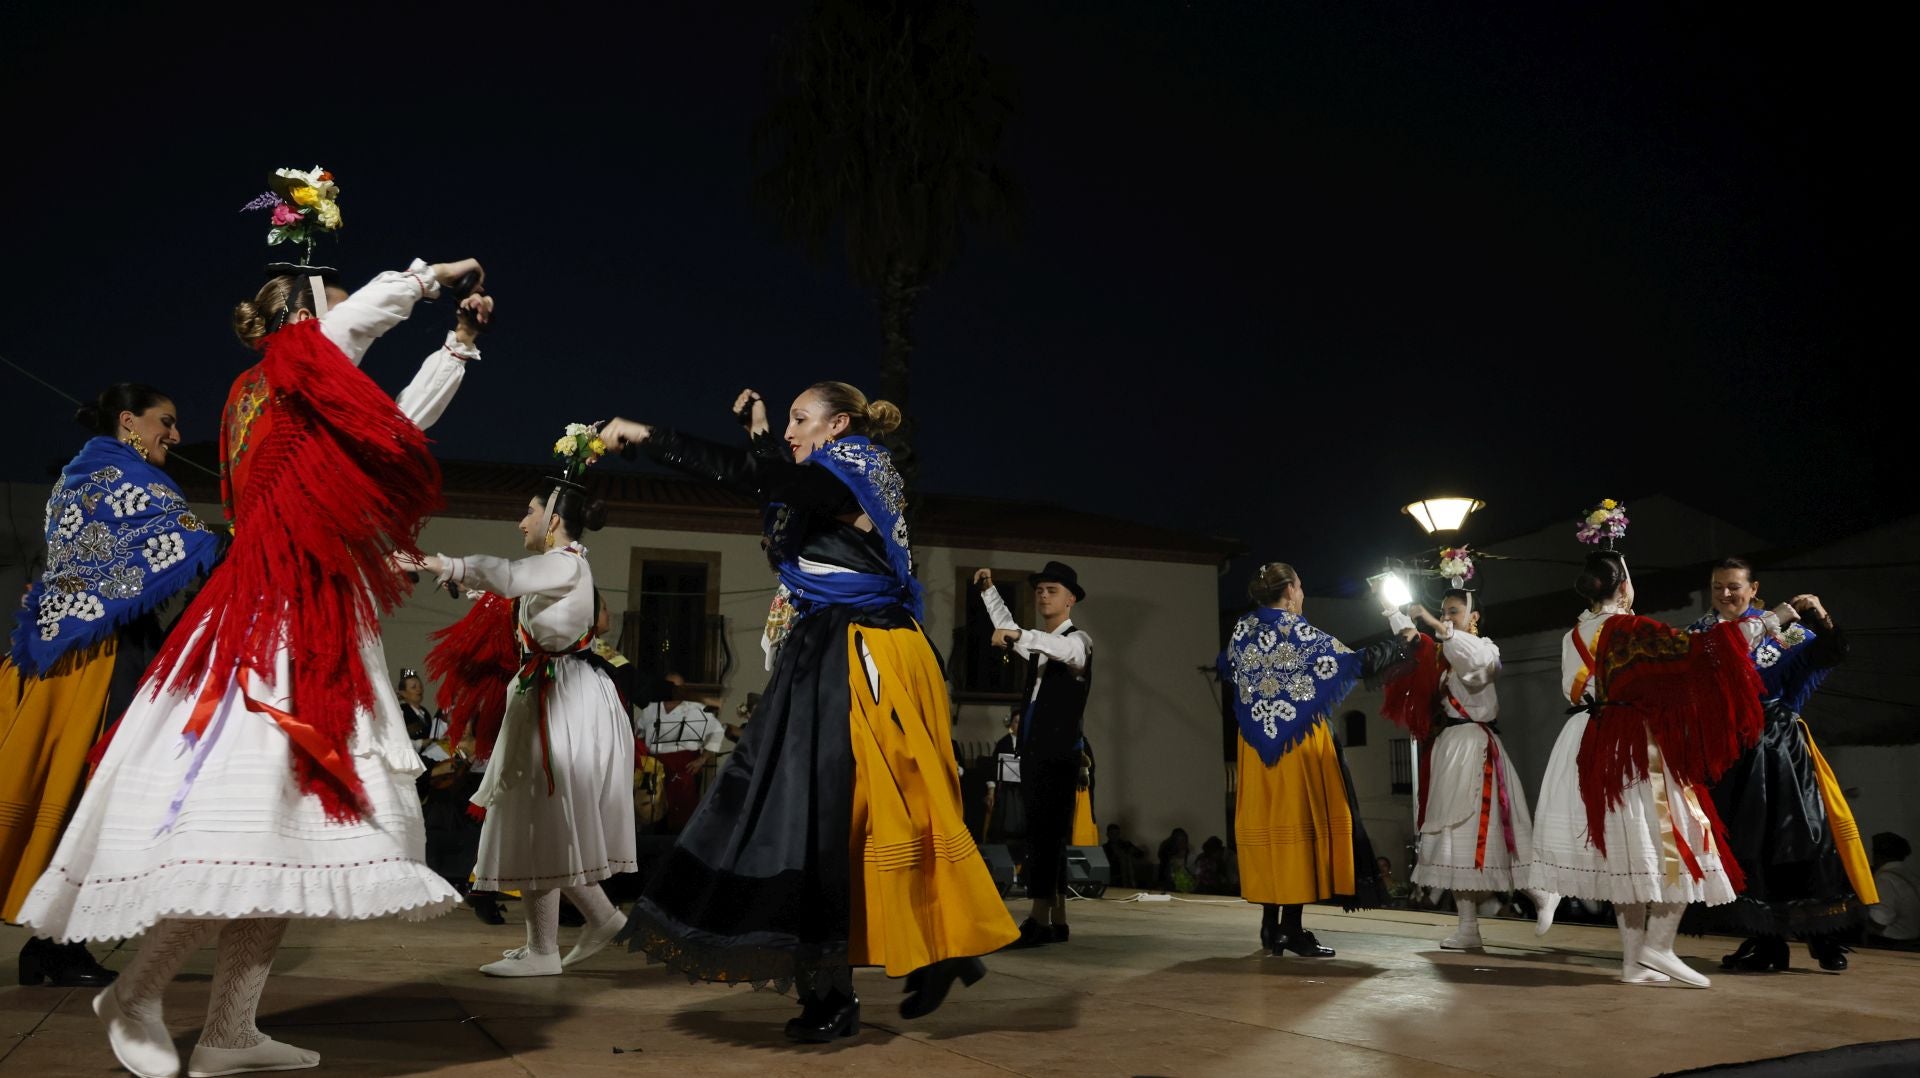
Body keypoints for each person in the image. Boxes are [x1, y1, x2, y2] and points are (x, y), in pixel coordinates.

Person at [16, 246, 492, 1078]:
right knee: (240, 826)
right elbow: (349, 327)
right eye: (328, 315)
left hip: (306, 606)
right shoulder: (284, 369)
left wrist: (454, 346)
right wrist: (426, 279)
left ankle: (233, 1029)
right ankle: (136, 989)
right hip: (274, 615)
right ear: (302, 320)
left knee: (289, 839)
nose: (340, 333)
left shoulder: (295, 392)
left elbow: (398, 424)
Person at [599, 383, 1017, 1041]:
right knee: (825, 813)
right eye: (789, 423)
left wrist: (651, 439)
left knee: (832, 814)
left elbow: (765, 483)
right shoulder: (837, 475)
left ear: (840, 424)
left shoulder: (855, 465)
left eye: (802, 420)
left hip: (862, 652)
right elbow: (779, 497)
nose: (794, 434)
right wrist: (764, 429)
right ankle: (907, 960)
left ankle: (864, 978)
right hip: (833, 648)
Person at [2, 384, 220, 989]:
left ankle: (53, 943)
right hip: (98, 655)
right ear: (130, 421)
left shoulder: (81, 473)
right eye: (166, 422)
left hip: (66, 648)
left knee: (73, 793)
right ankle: (54, 945)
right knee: (88, 794)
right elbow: (188, 541)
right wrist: (243, 543)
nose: (175, 437)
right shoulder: (123, 477)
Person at [1526, 512, 1766, 989]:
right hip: (1630, 742)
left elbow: (1578, 691)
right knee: (1679, 838)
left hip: (1582, 737)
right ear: (1623, 586)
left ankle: (1635, 961)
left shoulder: (1572, 634)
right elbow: (1696, 653)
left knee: (1627, 853)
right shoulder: (1629, 628)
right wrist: (1772, 621)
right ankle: (1657, 947)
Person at [419, 474, 637, 978]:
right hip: (550, 690)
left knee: (542, 814)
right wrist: (467, 585)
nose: (522, 522)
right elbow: (515, 596)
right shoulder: (559, 569)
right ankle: (574, 932)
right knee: (538, 816)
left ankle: (562, 940)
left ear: (554, 519)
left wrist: (443, 562)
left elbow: (510, 576)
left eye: (530, 512)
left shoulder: (564, 562)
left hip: (563, 698)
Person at [1686, 559, 1873, 973]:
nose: (1725, 594)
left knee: (1802, 838)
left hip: (1779, 748)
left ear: (1753, 589)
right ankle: (1767, 941)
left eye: (1734, 587)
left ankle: (1822, 936)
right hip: (1730, 751)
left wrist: (1819, 614)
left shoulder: (1783, 629)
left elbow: (1829, 652)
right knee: (1745, 846)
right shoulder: (1700, 634)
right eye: (1718, 587)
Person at [1221, 562, 1408, 959]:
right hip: (1297, 745)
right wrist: (1403, 641)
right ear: (1289, 590)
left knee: (1272, 830)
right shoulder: (1297, 630)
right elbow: (1354, 662)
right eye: (1301, 587)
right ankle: (1291, 929)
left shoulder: (1243, 629)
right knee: (1299, 828)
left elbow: (1230, 669)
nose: (1302, 595)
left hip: (1254, 748)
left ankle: (1271, 927)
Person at [1379, 580, 1548, 950]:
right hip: (1450, 748)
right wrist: (1394, 613)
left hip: (1474, 747)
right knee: (1453, 839)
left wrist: (1436, 625)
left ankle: (1538, 893)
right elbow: (1417, 645)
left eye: (1454, 611)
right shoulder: (1446, 657)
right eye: (1443, 612)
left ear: (1474, 617)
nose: (1445, 618)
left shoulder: (1484, 649)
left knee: (1485, 831)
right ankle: (1468, 927)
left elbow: (1478, 664)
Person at [975, 563, 1093, 948]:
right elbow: (1012, 629)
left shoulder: (1079, 642)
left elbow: (1059, 647)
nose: (1043, 595)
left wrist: (1019, 635)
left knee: (1044, 835)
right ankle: (1057, 918)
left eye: (1052, 590)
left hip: (1058, 753)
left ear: (1070, 598)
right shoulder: (1040, 644)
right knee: (1048, 835)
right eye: (1040, 590)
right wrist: (989, 592)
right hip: (1038, 752)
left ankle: (1038, 920)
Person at [635, 675, 726, 831]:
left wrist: (702, 759)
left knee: (683, 817)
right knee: (654, 815)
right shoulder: (651, 709)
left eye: (679, 688)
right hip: (656, 770)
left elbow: (717, 732)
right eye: (671, 687)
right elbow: (638, 734)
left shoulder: (695, 710)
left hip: (686, 768)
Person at [1868, 833, 1919, 947]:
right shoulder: (1910, 875)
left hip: (1893, 944)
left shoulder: (1884, 879)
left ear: (1878, 854)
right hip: (1913, 941)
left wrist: (1859, 910)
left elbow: (1879, 921)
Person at [983, 711, 1026, 844]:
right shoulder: (1003, 743)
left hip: (1023, 791)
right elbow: (993, 769)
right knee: (1006, 824)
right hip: (1007, 791)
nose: (1019, 725)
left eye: (1021, 722)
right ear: (1011, 725)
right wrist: (991, 792)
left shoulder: (1030, 743)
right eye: (1016, 721)